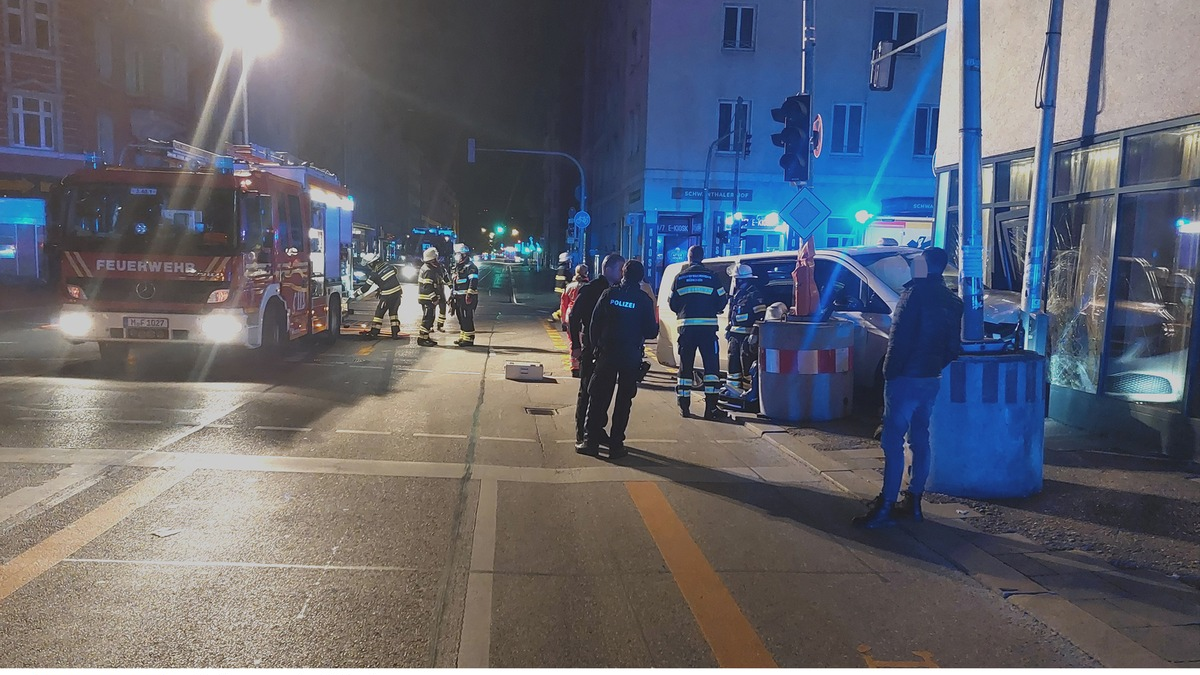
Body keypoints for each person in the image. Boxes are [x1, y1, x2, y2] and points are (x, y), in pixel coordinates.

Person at [854, 247, 964, 529]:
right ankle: (914, 501)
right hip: (931, 379)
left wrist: (889, 375)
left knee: (892, 442)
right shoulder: (952, 301)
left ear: (926, 267)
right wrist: (934, 366)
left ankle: (885, 505)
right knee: (920, 438)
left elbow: (898, 340)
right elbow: (953, 348)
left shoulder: (912, 296)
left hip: (904, 378)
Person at [577, 259, 658, 459]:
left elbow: (594, 324)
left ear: (623, 273)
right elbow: (651, 331)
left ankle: (591, 442)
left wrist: (596, 348)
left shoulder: (609, 294)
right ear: (640, 277)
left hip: (607, 354)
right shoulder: (643, 300)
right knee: (623, 401)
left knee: (598, 398)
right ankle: (616, 446)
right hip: (630, 356)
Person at [668, 245, 730, 420]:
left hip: (686, 329)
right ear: (702, 257)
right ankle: (710, 408)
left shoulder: (680, 277)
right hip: (708, 330)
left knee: (685, 367)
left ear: (689, 257)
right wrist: (712, 309)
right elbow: (722, 300)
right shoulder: (712, 277)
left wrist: (684, 311)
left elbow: (673, 303)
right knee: (711, 369)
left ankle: (684, 407)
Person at [569, 253, 624, 445]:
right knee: (587, 391)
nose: (622, 274)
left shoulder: (617, 291)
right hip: (591, 348)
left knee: (605, 392)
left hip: (609, 351)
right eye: (620, 269)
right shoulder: (591, 289)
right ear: (608, 270)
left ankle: (597, 430)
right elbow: (574, 318)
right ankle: (581, 433)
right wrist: (575, 345)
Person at [724, 264, 766, 397]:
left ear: (741, 280)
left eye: (735, 279)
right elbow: (733, 315)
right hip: (735, 336)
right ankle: (732, 390)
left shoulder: (754, 294)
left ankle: (750, 392)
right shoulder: (738, 295)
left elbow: (761, 316)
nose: (734, 282)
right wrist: (729, 328)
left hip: (747, 338)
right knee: (733, 363)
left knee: (746, 365)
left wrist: (754, 333)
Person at [355, 253, 403, 338]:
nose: (369, 267)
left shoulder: (374, 274)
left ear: (372, 263)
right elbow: (392, 276)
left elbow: (366, 288)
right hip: (398, 293)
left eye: (369, 265)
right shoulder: (389, 266)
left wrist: (355, 294)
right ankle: (395, 333)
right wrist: (381, 287)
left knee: (379, 313)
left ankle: (374, 332)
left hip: (387, 295)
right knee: (393, 313)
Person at [561, 264, 590, 374]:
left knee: (573, 341)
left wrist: (563, 320)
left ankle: (574, 366)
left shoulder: (569, 287)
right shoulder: (588, 287)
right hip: (584, 316)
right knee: (585, 342)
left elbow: (563, 305)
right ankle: (584, 364)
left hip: (570, 315)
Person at [450, 244, 480, 346]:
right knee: (461, 318)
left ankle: (469, 339)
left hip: (467, 298)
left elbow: (473, 281)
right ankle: (463, 336)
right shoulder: (457, 267)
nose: (456, 256)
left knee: (467, 318)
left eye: (458, 254)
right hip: (458, 298)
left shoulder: (471, 267)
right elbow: (455, 283)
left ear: (464, 255)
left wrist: (469, 294)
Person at [416, 247, 446, 347]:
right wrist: (434, 298)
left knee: (430, 318)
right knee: (428, 318)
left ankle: (426, 337)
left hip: (427, 299)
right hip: (427, 299)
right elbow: (427, 286)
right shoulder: (428, 270)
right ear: (432, 259)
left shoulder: (429, 268)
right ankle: (422, 339)